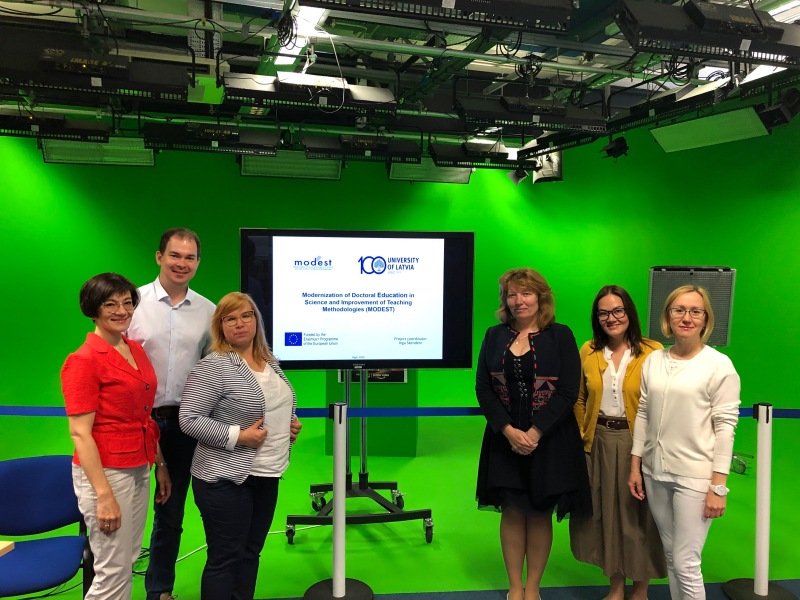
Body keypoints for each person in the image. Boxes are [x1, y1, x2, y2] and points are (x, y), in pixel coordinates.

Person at [475, 268, 590, 600]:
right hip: (504, 440)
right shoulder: (493, 336)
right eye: (511, 294)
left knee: (540, 513)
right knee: (512, 511)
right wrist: (509, 431)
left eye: (526, 293)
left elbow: (568, 391)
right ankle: (515, 588)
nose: (518, 300)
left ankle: (533, 588)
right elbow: (483, 389)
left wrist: (535, 432)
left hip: (550, 440)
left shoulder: (561, 335)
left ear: (541, 297)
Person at [179, 292, 301, 600]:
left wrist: (289, 423)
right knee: (225, 558)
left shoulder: (269, 362)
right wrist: (239, 436)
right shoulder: (214, 366)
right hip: (224, 478)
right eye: (230, 318)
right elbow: (189, 419)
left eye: (246, 315)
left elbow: (272, 402)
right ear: (220, 326)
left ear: (256, 320)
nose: (239, 323)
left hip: (266, 474)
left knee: (250, 553)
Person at [61, 273, 171, 599]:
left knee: (127, 560)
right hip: (107, 472)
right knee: (111, 569)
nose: (121, 311)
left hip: (139, 463)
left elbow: (143, 416)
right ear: (93, 310)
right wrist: (103, 495)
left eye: (127, 302)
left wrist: (160, 464)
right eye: (110, 304)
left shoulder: (133, 348)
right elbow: (80, 434)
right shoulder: (83, 361)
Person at [629, 285, 740, 600]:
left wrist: (718, 486)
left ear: (706, 319)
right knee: (671, 554)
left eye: (695, 311)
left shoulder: (719, 365)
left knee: (686, 561)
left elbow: (725, 427)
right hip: (654, 472)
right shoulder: (654, 361)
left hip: (695, 477)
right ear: (668, 317)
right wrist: (636, 466)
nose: (686, 317)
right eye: (679, 310)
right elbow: (644, 413)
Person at [126, 228, 216, 600]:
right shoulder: (131, 304)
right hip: (134, 422)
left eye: (189, 257)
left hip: (184, 423)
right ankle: (108, 585)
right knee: (122, 510)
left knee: (170, 512)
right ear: (159, 257)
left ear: (197, 262)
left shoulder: (208, 311)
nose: (182, 263)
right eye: (175, 255)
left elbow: (215, 369)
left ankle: (159, 590)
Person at [570, 285, 666, 600]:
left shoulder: (653, 352)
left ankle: (640, 589)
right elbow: (579, 398)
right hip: (597, 441)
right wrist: (583, 435)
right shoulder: (589, 350)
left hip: (638, 444)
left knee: (637, 517)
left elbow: (661, 402)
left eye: (617, 310)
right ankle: (615, 587)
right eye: (603, 313)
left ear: (629, 312)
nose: (611, 318)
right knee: (604, 517)